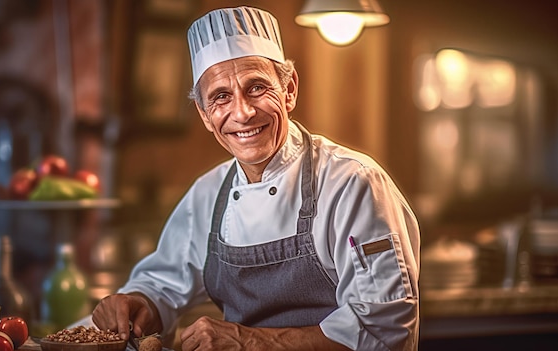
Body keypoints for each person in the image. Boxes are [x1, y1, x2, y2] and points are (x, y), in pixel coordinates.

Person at [92, 6, 420, 351]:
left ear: (289, 89)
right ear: (205, 115)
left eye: (257, 88)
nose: (243, 112)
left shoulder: (353, 184)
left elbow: (384, 332)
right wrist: (139, 303)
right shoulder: (209, 193)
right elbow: (163, 284)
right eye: (221, 97)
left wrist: (246, 340)